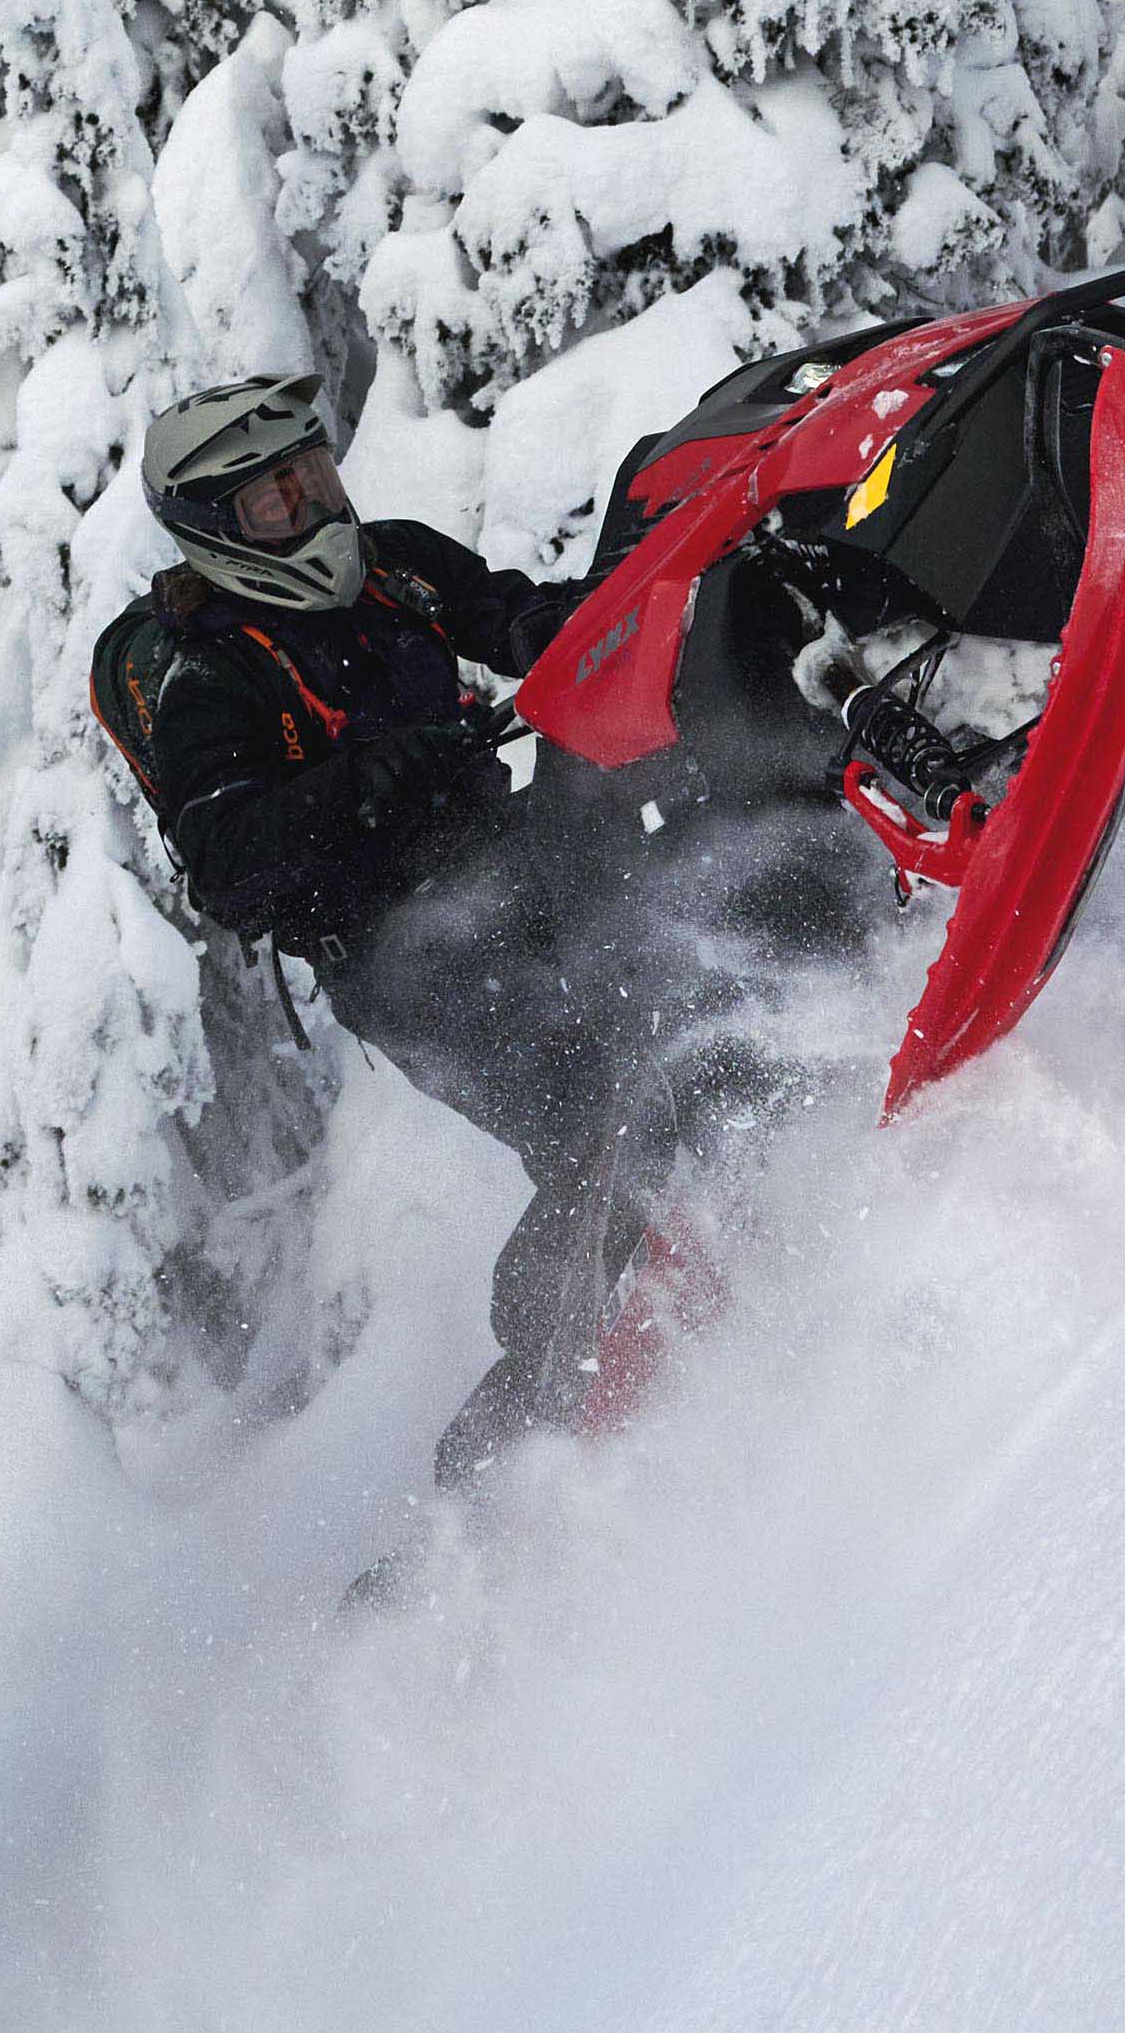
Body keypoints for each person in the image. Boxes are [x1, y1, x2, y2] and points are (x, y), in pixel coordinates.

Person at [86, 374, 704, 1481]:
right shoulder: (179, 660)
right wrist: (357, 783)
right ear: (212, 526)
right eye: (277, 501)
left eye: (314, 476)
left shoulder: (395, 564)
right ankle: (518, 1443)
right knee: (593, 1130)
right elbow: (224, 865)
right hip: (401, 954)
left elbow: (520, 621)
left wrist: (647, 581)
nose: (315, 511)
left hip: (515, 860)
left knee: (684, 957)